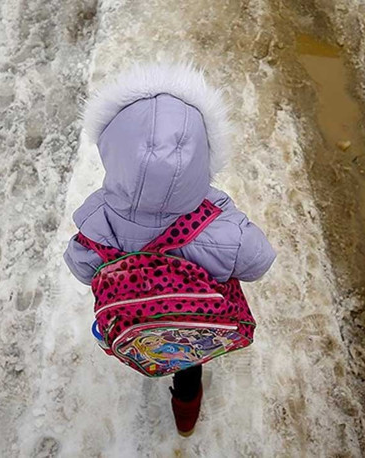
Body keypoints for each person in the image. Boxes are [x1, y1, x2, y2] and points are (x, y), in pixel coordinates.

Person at [63, 63, 276, 436]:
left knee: (151, 340)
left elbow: (80, 265)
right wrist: (225, 213)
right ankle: (186, 417)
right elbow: (259, 261)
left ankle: (148, 356)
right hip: (190, 321)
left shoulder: (98, 220)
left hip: (134, 320)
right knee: (187, 363)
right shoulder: (219, 228)